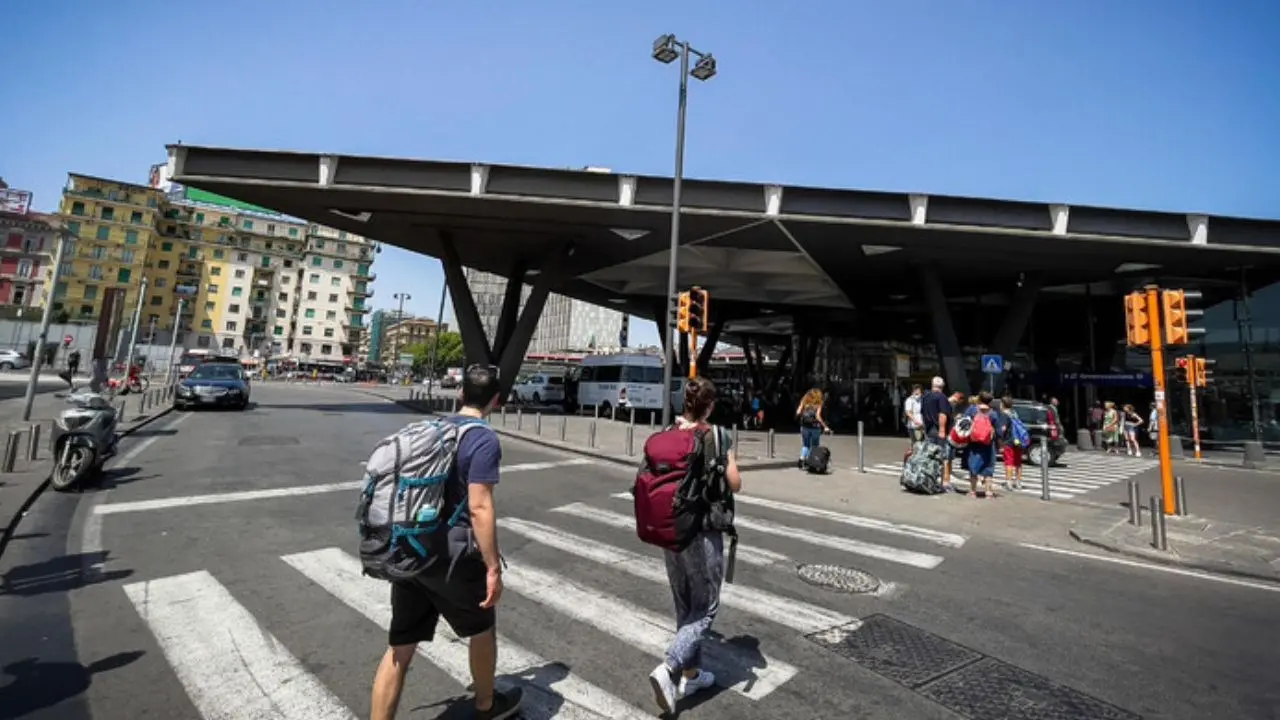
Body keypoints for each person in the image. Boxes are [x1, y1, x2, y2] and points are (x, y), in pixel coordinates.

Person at [370, 364, 522, 720]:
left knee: (400, 648)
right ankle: (486, 705)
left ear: (460, 394)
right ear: (496, 401)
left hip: (411, 548)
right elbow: (480, 506)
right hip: (452, 557)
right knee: (482, 629)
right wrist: (493, 567)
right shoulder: (482, 439)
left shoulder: (432, 428)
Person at [649, 377, 743, 714]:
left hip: (672, 530)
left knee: (685, 602)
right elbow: (735, 482)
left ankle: (691, 672)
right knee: (706, 608)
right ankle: (671, 668)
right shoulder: (716, 436)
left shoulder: (669, 433)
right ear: (710, 406)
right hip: (703, 531)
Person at [794, 388, 830, 468]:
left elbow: (798, 412)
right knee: (815, 445)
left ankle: (801, 459)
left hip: (804, 426)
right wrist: (825, 426)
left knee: (805, 444)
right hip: (815, 427)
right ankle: (812, 461)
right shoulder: (819, 404)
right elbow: (818, 416)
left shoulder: (804, 402)